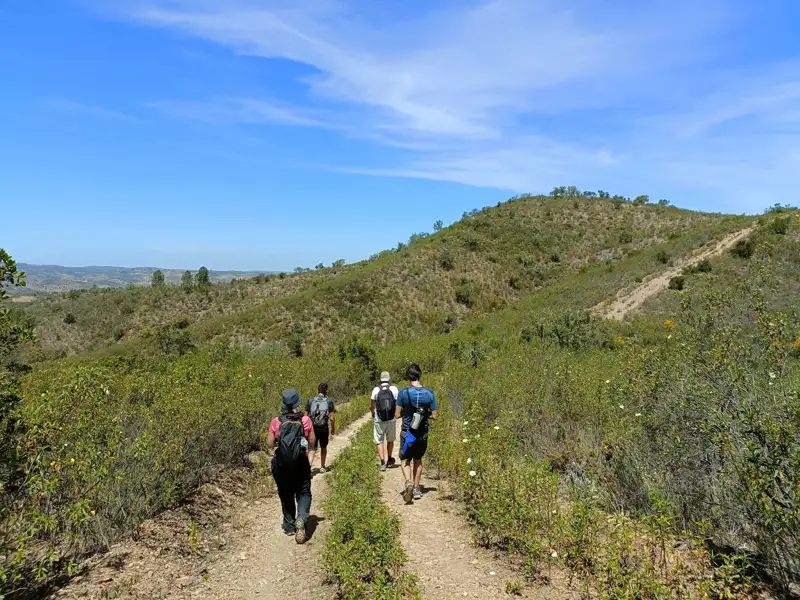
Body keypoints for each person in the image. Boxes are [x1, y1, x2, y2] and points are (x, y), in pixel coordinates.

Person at [266, 389, 316, 544]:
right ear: (297, 402)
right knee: (304, 492)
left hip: (282, 466)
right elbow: (312, 441)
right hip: (301, 463)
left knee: (285, 492)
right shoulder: (305, 420)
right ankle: (301, 517)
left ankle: (289, 526)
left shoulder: (276, 421)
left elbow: (269, 444)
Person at [396, 364, 437, 503]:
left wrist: (406, 413)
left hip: (407, 432)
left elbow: (397, 415)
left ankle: (408, 481)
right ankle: (416, 488)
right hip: (422, 432)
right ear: (420, 375)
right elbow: (434, 416)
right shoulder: (429, 393)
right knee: (418, 459)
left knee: (404, 459)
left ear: (408, 376)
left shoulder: (403, 393)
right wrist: (424, 415)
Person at [370, 371, 399, 471]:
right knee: (390, 440)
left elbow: (372, 404)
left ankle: (382, 462)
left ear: (381, 379)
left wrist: (373, 413)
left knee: (379, 440)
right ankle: (390, 459)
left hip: (379, 419)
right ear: (389, 378)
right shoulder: (394, 388)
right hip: (391, 419)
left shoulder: (376, 389)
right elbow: (398, 403)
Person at [306, 382, 336, 473]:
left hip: (313, 429)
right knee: (323, 447)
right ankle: (322, 467)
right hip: (323, 428)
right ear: (326, 391)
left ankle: (308, 468)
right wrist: (332, 429)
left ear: (317, 390)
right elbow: (332, 418)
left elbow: (305, 416)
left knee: (311, 449)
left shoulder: (310, 401)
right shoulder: (329, 401)